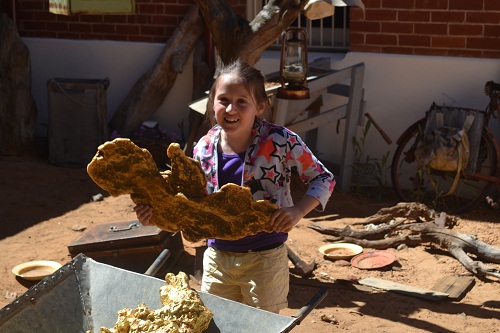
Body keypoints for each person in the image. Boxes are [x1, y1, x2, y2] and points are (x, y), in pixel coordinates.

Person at [134, 60, 335, 313]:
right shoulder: (203, 148)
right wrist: (156, 215)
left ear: (260, 106)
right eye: (224, 99)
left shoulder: (281, 141)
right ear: (212, 103)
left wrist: (298, 211)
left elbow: (323, 178)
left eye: (242, 101)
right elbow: (190, 204)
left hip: (266, 258)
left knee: (262, 327)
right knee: (221, 323)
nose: (231, 108)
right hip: (218, 259)